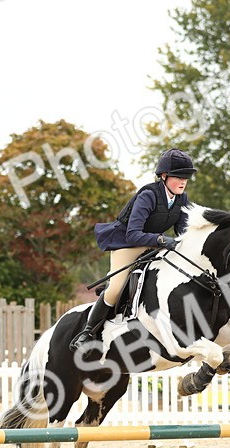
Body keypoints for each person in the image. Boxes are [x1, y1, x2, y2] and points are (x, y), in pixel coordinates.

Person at [71, 148, 196, 350]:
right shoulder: (148, 195)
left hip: (155, 245)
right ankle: (87, 332)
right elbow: (133, 233)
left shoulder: (181, 199)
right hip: (128, 244)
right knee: (116, 287)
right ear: (163, 176)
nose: (183, 181)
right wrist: (162, 240)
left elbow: (181, 231)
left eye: (186, 177)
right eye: (178, 177)